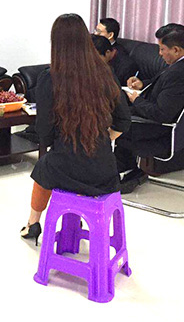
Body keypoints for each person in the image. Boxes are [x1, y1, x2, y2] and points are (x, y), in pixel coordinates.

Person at [20, 14, 131, 245]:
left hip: (67, 165)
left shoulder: (50, 78)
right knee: (50, 165)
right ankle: (64, 220)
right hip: (105, 169)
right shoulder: (105, 72)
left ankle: (33, 223)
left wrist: (60, 142)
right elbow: (123, 120)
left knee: (44, 166)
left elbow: (44, 132)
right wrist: (104, 139)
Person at [114, 23, 184, 192]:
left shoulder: (178, 74)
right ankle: (130, 171)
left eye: (162, 49)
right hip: (171, 124)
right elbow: (165, 86)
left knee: (109, 122)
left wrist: (136, 100)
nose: (160, 54)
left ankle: (119, 173)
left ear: (176, 50)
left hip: (159, 128)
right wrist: (143, 84)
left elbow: (161, 114)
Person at [93, 17, 139, 86]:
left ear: (110, 35)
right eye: (96, 30)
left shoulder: (120, 57)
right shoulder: (93, 44)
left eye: (99, 32)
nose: (95, 34)